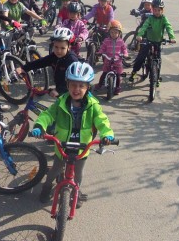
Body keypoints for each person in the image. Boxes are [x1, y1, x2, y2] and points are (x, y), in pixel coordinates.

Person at [30, 62, 115, 207]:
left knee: (78, 173)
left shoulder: (93, 105)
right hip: (62, 145)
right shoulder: (61, 102)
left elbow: (102, 120)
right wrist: (40, 126)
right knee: (56, 169)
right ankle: (47, 186)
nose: (77, 89)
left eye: (81, 86)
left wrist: (107, 134)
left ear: (88, 87)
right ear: (67, 85)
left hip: (82, 147)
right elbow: (48, 114)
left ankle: (76, 191)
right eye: (73, 85)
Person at [20, 27, 79, 97]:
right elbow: (41, 62)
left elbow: (75, 80)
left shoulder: (72, 60)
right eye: (56, 47)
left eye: (62, 48)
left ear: (69, 47)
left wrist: (59, 90)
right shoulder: (55, 56)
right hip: (60, 90)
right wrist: (24, 68)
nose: (58, 51)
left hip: (72, 93)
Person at [129, 0, 176, 81]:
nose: (157, 12)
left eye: (159, 10)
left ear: (162, 10)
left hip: (158, 41)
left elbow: (169, 27)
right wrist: (140, 35)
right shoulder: (150, 18)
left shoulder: (164, 18)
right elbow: (144, 27)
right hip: (148, 40)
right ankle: (134, 72)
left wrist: (171, 37)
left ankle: (157, 75)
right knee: (141, 57)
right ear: (152, 10)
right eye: (155, 10)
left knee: (158, 59)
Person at [96, 20, 128, 94]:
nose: (113, 34)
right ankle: (100, 84)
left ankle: (117, 87)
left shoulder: (121, 41)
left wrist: (125, 54)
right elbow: (102, 47)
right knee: (104, 73)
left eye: (116, 32)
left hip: (118, 61)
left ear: (119, 33)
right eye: (112, 32)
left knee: (118, 75)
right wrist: (100, 52)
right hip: (108, 59)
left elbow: (124, 49)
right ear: (109, 32)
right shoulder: (106, 40)